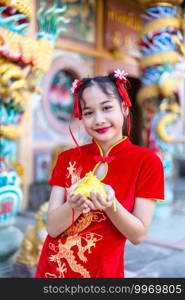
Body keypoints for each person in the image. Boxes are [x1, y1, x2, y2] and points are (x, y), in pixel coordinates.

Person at [35, 69, 164, 278]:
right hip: (54, 269)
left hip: (103, 272)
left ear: (123, 107)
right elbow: (52, 228)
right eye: (88, 113)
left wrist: (110, 205)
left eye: (106, 108)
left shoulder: (147, 162)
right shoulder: (66, 158)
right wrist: (73, 206)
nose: (98, 119)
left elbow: (138, 235)